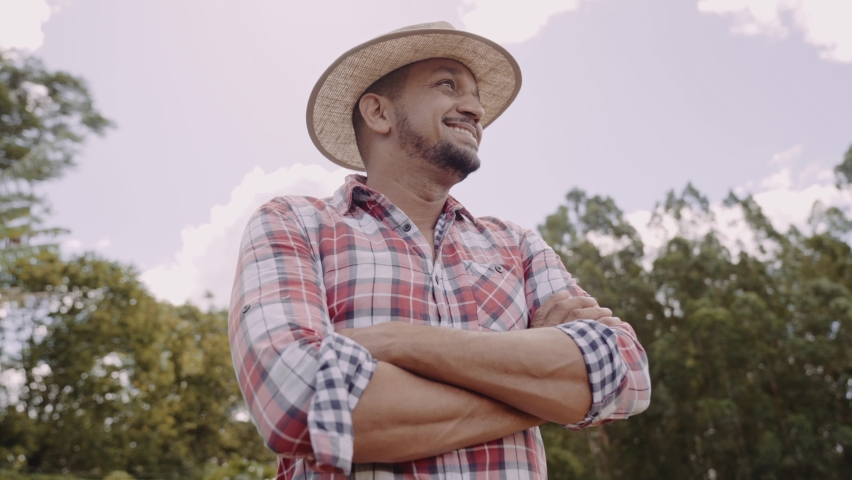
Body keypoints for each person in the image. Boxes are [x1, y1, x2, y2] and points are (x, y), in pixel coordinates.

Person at [229, 21, 651, 479]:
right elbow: (297, 400)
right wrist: (544, 389)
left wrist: (397, 342)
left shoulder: (518, 244)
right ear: (378, 113)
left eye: (476, 96)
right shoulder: (295, 224)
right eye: (448, 85)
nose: (474, 109)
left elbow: (628, 374)